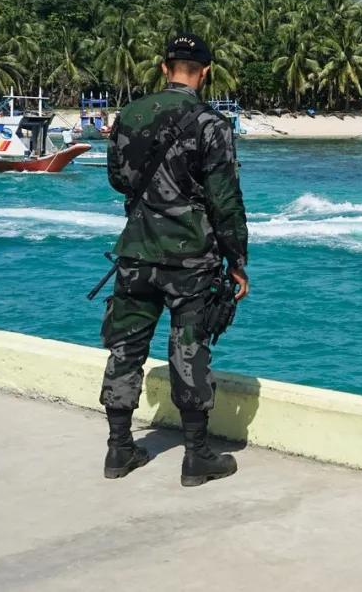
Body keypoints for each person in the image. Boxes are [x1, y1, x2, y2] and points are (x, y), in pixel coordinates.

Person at [99, 34, 249, 487]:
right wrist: (237, 260)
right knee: (190, 349)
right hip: (190, 258)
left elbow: (117, 181)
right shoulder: (211, 123)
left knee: (125, 348)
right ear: (205, 72)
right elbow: (225, 201)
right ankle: (197, 455)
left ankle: (119, 449)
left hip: (135, 252)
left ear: (165, 68)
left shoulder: (130, 115)